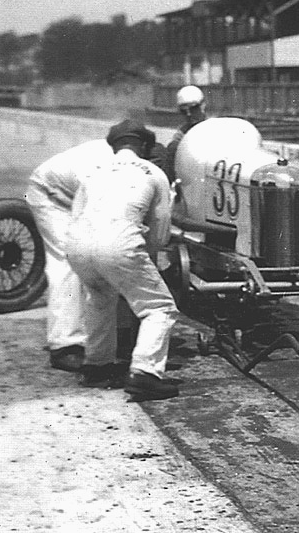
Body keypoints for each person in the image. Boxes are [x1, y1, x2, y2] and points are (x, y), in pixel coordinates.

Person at [66, 119, 181, 400]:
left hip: (77, 245)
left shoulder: (92, 173)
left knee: (99, 297)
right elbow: (160, 231)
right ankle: (145, 372)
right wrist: (145, 258)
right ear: (143, 145)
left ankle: (97, 365)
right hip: (119, 244)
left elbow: (77, 213)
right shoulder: (153, 172)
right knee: (159, 307)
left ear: (113, 146)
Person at [24, 139, 115, 372]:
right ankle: (64, 345)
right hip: (50, 195)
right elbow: (96, 218)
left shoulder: (122, 155)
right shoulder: (103, 172)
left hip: (71, 191)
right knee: (69, 261)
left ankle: (98, 333)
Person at [164, 85, 208, 181]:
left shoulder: (215, 126)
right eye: (184, 111)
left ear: (203, 105)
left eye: (193, 108)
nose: (188, 114)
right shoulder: (180, 136)